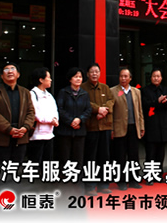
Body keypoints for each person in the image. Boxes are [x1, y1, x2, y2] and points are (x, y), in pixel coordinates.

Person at [0, 62, 35, 163]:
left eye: (13, 69)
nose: (9, 71)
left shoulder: (25, 92)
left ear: (18, 74)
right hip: (1, 139)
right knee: (1, 169)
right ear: (1, 76)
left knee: (16, 169)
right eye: (6, 70)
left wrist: (25, 127)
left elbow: (31, 112)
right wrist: (9, 129)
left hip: (21, 138)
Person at [82, 63, 114, 195]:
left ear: (100, 73)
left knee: (104, 157)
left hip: (105, 126)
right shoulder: (83, 88)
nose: (94, 74)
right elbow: (85, 103)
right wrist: (97, 109)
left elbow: (111, 100)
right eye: (92, 71)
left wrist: (105, 110)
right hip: (91, 127)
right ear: (87, 74)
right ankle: (90, 186)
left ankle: (103, 184)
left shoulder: (105, 87)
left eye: (97, 71)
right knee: (90, 157)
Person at [111, 67, 145, 190]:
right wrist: (111, 129)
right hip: (119, 128)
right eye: (121, 76)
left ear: (130, 78)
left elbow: (140, 111)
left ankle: (133, 180)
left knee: (133, 156)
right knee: (120, 156)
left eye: (126, 76)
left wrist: (141, 126)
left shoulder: (136, 92)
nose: (123, 78)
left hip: (133, 127)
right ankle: (121, 181)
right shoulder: (112, 91)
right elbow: (111, 112)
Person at [54, 67, 91, 171]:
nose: (78, 79)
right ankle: (65, 177)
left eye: (80, 77)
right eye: (75, 77)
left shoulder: (85, 94)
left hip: (80, 130)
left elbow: (88, 109)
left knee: (78, 158)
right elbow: (60, 109)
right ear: (70, 79)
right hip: (65, 130)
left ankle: (77, 178)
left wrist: (79, 119)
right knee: (64, 157)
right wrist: (70, 121)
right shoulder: (63, 92)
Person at [141, 68, 167, 179]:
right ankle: (149, 176)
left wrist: (166, 102)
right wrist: (157, 102)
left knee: (161, 154)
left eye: (158, 76)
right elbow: (145, 105)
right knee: (150, 154)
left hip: (163, 127)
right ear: (150, 78)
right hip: (151, 126)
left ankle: (159, 174)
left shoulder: (166, 90)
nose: (156, 78)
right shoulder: (145, 91)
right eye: (154, 76)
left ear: (161, 78)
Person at [28, 67, 59, 166]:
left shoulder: (49, 95)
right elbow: (35, 114)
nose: (50, 80)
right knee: (35, 163)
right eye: (48, 77)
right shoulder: (32, 94)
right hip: (36, 135)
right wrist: (50, 120)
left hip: (49, 134)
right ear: (41, 80)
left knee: (48, 163)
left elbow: (55, 110)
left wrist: (55, 119)